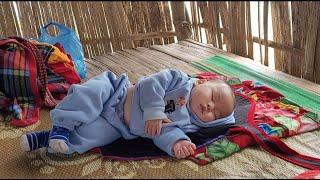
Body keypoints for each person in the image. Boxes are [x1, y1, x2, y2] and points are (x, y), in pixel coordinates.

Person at [20, 69, 236, 159]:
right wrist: (154, 110)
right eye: (213, 97)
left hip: (118, 125)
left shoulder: (188, 124)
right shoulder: (180, 80)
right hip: (118, 92)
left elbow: (162, 132)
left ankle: (45, 139)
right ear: (203, 82)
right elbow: (153, 82)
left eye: (216, 113)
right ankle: (62, 126)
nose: (210, 107)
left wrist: (177, 142)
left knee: (93, 136)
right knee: (89, 95)